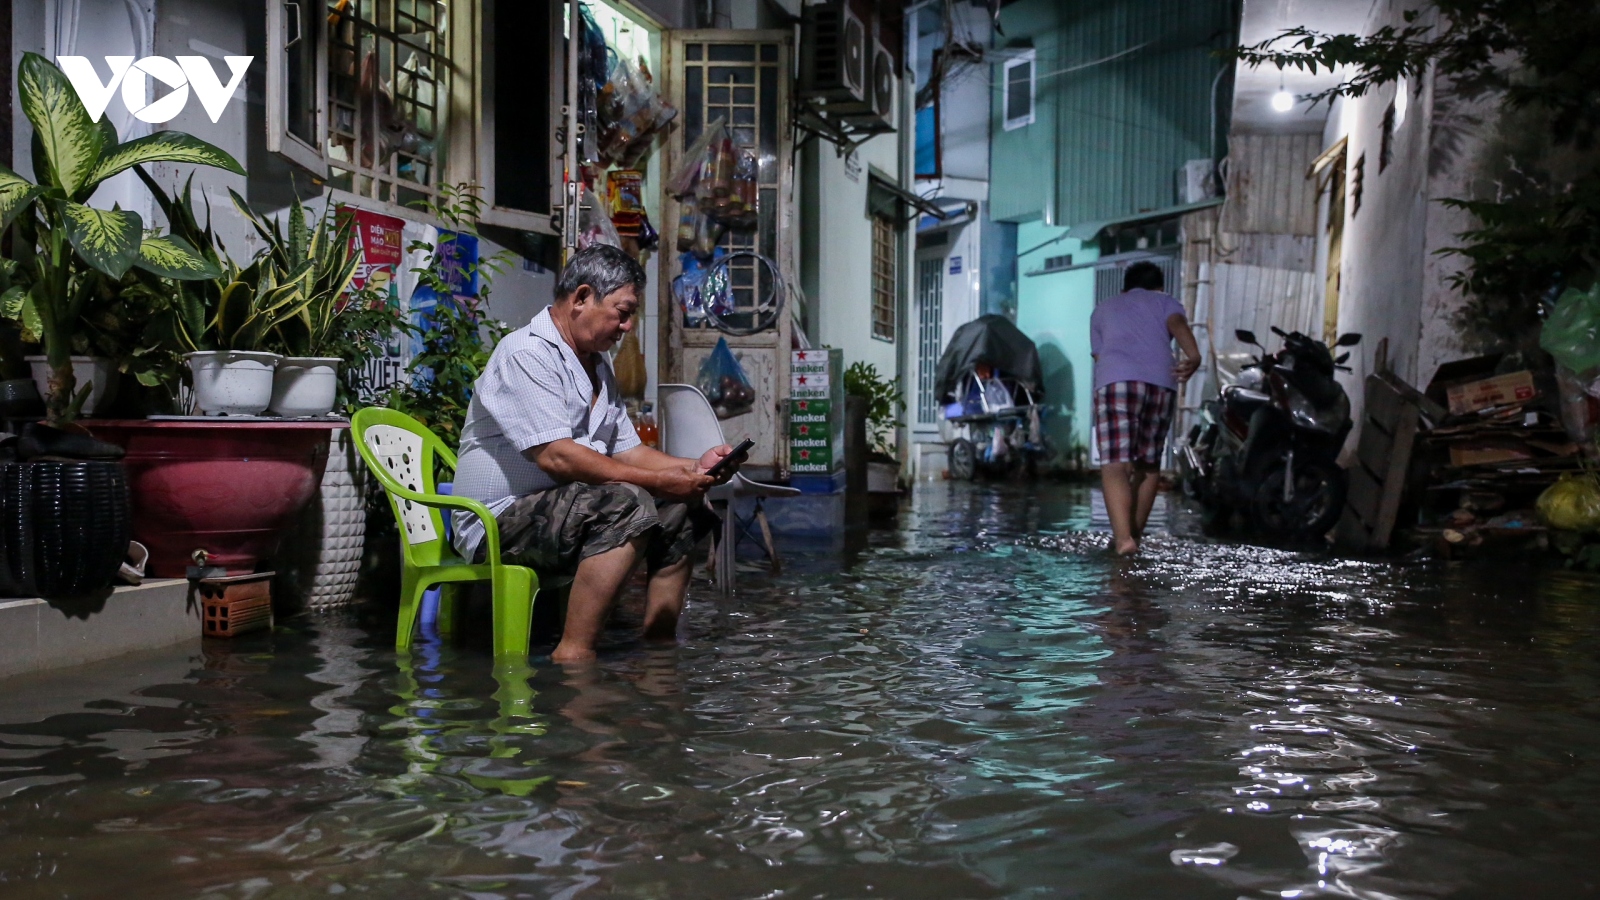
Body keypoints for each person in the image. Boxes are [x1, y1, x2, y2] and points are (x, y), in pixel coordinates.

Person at [451, 245, 743, 662]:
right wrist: (661, 480)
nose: (626, 326)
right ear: (582, 297)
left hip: (564, 510)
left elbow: (628, 453)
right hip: (497, 520)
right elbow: (558, 458)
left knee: (682, 506)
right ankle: (573, 656)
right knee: (625, 503)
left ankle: (659, 649)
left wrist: (695, 469)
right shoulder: (527, 354)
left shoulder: (597, 364)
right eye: (622, 312)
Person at [1090, 261, 1201, 556]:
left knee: (1116, 464)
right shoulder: (1165, 301)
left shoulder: (1103, 309)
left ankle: (1123, 539)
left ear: (1125, 288)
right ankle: (1133, 535)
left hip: (1117, 382)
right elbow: (1177, 324)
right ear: (1160, 287)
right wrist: (1194, 356)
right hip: (1161, 384)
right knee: (1149, 464)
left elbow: (1099, 357)